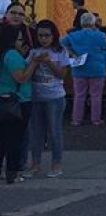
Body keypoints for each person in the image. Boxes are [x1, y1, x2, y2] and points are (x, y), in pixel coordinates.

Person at [28, 20, 70, 178]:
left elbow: (62, 74)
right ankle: (35, 164)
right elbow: (27, 71)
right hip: (36, 96)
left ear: (53, 36)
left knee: (55, 131)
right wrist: (34, 62)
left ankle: (56, 163)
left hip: (55, 96)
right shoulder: (33, 51)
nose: (43, 39)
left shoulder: (60, 51)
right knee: (36, 132)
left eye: (47, 36)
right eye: (40, 36)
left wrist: (49, 62)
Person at [0, 24, 39, 183]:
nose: (21, 42)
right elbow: (21, 77)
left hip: (3, 97)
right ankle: (12, 172)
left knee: (2, 138)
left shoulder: (4, 54)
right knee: (15, 139)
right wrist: (34, 63)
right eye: (19, 39)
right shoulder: (11, 55)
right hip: (18, 100)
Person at [60, 12, 106, 126]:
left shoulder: (73, 35)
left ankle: (76, 119)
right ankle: (96, 119)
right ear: (93, 23)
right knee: (96, 95)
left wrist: (72, 53)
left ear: (81, 23)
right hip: (97, 68)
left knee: (79, 95)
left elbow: (61, 43)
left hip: (79, 68)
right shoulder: (100, 35)